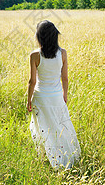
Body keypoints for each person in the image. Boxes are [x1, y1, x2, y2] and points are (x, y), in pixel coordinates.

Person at [27, 20, 81, 170]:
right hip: (57, 96)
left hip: (40, 96)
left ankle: (46, 156)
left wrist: (29, 101)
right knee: (61, 126)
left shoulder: (34, 55)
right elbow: (65, 78)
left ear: (40, 37)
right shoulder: (62, 53)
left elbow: (32, 81)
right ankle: (68, 157)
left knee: (42, 128)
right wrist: (65, 95)